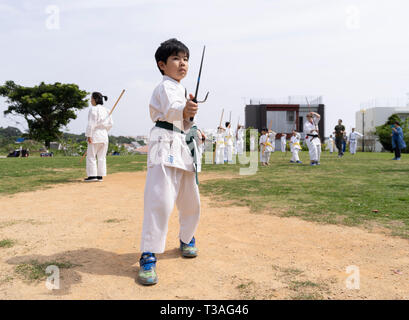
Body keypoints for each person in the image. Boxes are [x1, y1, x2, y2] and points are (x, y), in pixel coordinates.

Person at [138, 39, 202, 286]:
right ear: (162, 65)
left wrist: (192, 124)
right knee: (160, 200)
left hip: (183, 144)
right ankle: (148, 254)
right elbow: (174, 109)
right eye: (176, 58)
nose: (182, 63)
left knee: (190, 198)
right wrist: (185, 110)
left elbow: (183, 117)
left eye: (185, 58)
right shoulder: (165, 87)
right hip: (163, 144)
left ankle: (187, 238)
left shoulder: (181, 89)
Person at [84, 92, 113, 182]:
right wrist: (104, 131)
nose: (90, 100)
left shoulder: (93, 109)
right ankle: (100, 176)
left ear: (95, 99)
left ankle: (92, 176)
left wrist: (89, 135)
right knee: (102, 157)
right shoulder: (107, 110)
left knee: (91, 156)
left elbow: (91, 124)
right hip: (104, 135)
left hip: (95, 135)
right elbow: (111, 124)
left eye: (91, 98)